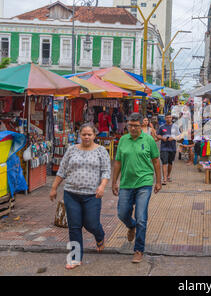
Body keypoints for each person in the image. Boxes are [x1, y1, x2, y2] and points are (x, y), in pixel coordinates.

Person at [50, 123, 111, 270]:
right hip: (71, 193)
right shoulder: (71, 150)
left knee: (92, 223)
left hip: (92, 195)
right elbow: (62, 170)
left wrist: (102, 186)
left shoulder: (101, 151)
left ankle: (100, 236)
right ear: (80, 135)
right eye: (84, 134)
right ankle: (75, 258)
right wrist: (54, 188)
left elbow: (106, 171)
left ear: (94, 135)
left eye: (89, 134)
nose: (87, 137)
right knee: (74, 226)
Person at [111, 113, 162, 263]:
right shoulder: (122, 140)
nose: (133, 128)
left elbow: (156, 161)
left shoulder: (148, 140)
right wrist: (114, 182)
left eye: (136, 125)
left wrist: (158, 181)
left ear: (142, 126)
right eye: (130, 125)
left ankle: (139, 249)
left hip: (144, 183)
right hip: (126, 183)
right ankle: (130, 226)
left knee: (141, 217)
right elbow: (118, 162)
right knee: (122, 213)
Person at [157, 113, 178, 185]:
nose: (168, 119)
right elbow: (158, 135)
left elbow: (180, 136)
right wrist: (162, 138)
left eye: (170, 117)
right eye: (167, 117)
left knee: (170, 162)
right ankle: (164, 178)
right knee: (164, 162)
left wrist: (173, 138)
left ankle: (168, 175)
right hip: (164, 147)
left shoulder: (175, 127)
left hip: (172, 147)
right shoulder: (162, 127)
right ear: (165, 118)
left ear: (171, 118)